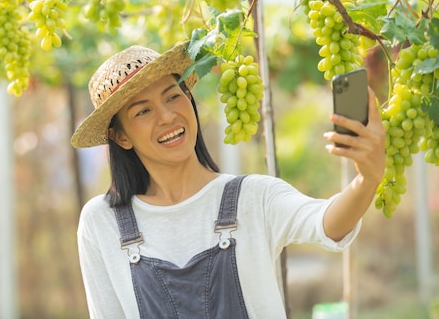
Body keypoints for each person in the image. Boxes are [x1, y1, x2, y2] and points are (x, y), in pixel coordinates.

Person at [71, 42, 386, 319]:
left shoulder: (253, 197)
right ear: (121, 136)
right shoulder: (102, 222)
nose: (167, 117)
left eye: (173, 97)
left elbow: (326, 223)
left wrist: (367, 179)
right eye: (143, 111)